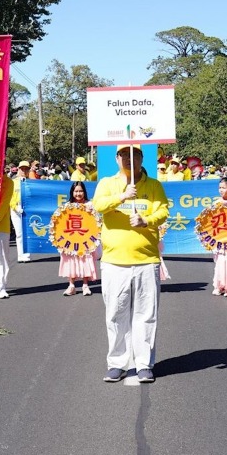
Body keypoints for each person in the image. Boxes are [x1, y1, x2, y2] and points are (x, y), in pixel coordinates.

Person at [92, 144, 169, 384]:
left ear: (142, 158)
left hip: (146, 259)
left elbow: (163, 211)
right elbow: (98, 205)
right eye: (124, 155)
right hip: (115, 261)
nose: (129, 159)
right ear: (116, 158)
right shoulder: (106, 183)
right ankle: (117, 363)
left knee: (146, 315)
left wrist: (146, 220)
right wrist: (122, 196)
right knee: (115, 314)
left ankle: (144, 363)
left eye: (134, 154)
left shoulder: (154, 186)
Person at [59, 181, 99, 296]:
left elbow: (95, 221)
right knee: (71, 260)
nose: (78, 193)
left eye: (80, 191)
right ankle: (71, 285)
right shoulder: (67, 206)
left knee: (86, 260)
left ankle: (85, 285)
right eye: (76, 191)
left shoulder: (90, 205)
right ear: (72, 192)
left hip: (85, 239)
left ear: (84, 192)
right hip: (71, 239)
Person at [11, 162, 31, 262]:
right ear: (18, 169)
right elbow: (10, 197)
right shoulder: (13, 182)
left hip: (27, 209)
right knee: (19, 233)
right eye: (22, 169)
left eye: (26, 169)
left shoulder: (31, 182)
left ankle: (26, 254)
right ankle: (20, 255)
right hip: (16, 209)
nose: (24, 171)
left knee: (27, 232)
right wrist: (16, 208)